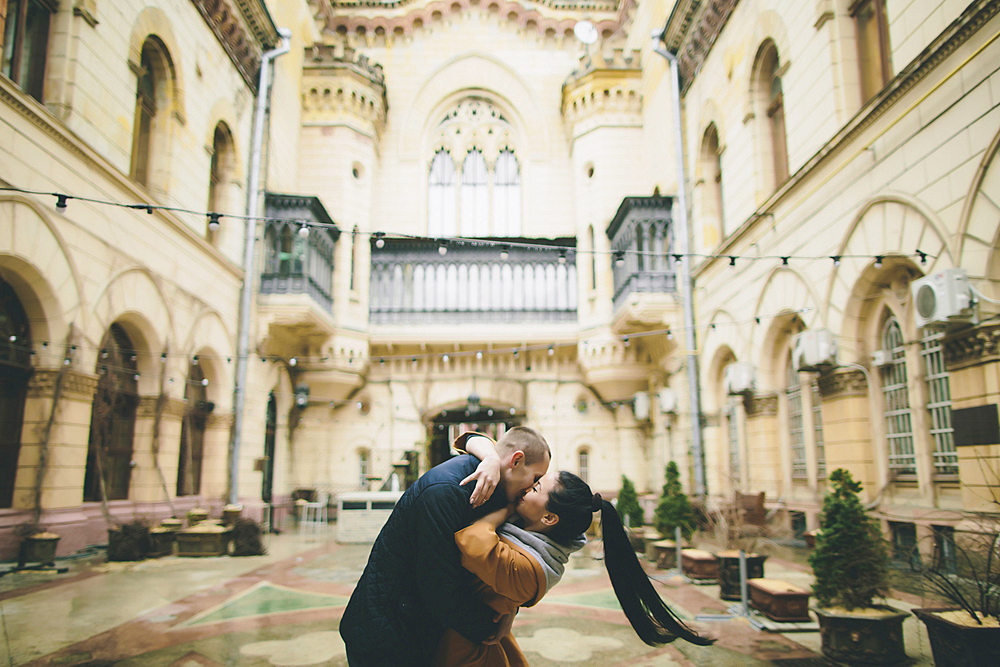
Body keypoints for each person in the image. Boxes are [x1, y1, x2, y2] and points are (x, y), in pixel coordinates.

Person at [436, 469, 715, 667]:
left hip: (464, 651)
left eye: (536, 488)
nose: (526, 487)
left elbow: (471, 540)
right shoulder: (535, 540)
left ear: (548, 517)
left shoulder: (532, 569)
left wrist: (506, 508)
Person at [339, 426, 551, 667]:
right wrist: (490, 626)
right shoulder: (446, 491)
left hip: (413, 627)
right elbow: (439, 588)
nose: (531, 488)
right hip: (386, 636)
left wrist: (507, 612)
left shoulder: (495, 488)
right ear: (516, 461)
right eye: (535, 478)